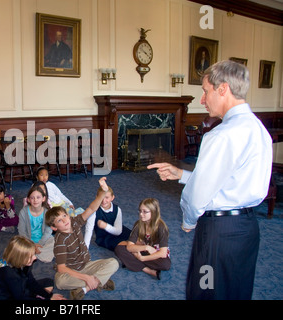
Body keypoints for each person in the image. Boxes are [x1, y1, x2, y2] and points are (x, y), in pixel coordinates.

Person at [148, 60, 273, 300]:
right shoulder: (258, 128)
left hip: (219, 233)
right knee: (235, 292)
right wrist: (182, 174)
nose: (202, 100)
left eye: (205, 91)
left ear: (223, 89)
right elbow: (230, 180)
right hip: (246, 229)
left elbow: (199, 196)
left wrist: (189, 219)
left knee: (205, 292)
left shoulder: (222, 134)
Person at [45, 177, 119, 300]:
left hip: (86, 265)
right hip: (70, 271)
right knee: (60, 282)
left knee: (114, 263)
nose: (64, 220)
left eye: (64, 216)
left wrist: (102, 191)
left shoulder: (74, 222)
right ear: (54, 227)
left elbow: (91, 209)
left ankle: (85, 288)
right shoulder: (60, 241)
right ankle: (99, 280)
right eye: (59, 220)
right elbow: (61, 268)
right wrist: (86, 277)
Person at [0, 235, 66, 300]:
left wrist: (49, 296)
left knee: (48, 282)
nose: (35, 258)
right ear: (20, 257)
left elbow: (30, 281)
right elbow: (22, 297)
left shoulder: (24, 263)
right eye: (31, 256)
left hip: (20, 287)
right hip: (8, 296)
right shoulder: (9, 274)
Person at [114, 198, 170, 280]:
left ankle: (131, 262)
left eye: (145, 212)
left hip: (155, 253)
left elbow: (162, 253)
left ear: (153, 212)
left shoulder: (161, 227)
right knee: (119, 249)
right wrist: (146, 247)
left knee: (165, 265)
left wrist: (142, 258)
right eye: (140, 211)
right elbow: (129, 247)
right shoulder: (138, 224)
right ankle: (149, 271)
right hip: (142, 249)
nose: (141, 214)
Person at [84, 186, 131, 251]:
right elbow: (88, 230)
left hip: (116, 230)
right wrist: (85, 249)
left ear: (112, 198)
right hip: (104, 237)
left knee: (134, 236)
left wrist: (106, 226)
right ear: (97, 198)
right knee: (126, 246)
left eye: (107, 197)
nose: (104, 201)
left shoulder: (117, 209)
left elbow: (118, 231)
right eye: (101, 198)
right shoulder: (94, 210)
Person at [18, 184, 54, 263]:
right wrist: (32, 245)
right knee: (17, 244)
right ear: (28, 200)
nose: (35, 200)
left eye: (38, 197)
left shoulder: (46, 212)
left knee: (55, 242)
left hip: (44, 241)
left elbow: (48, 231)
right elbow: (22, 231)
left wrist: (40, 243)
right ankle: (34, 252)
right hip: (28, 240)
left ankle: (31, 253)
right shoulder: (23, 212)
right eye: (32, 198)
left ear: (43, 198)